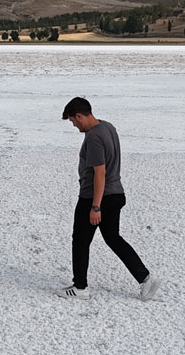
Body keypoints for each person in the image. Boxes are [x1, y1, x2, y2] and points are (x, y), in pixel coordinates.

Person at [57, 97, 160, 301]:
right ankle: (145, 279)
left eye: (72, 121)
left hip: (95, 197)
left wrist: (95, 206)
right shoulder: (108, 127)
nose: (74, 125)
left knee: (80, 240)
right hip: (115, 194)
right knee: (113, 238)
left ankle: (80, 287)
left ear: (79, 115)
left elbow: (100, 173)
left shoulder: (94, 137)